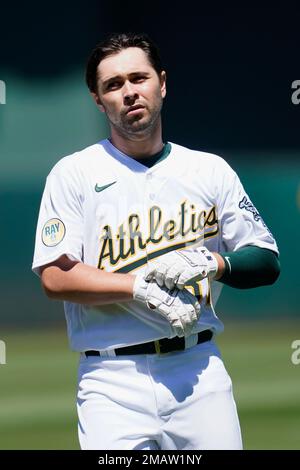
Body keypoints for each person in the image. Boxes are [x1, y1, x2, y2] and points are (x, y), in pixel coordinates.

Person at [32, 32, 280, 450]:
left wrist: (213, 264)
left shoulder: (209, 170)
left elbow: (267, 261)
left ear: (162, 83)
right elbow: (56, 277)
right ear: (98, 99)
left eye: (138, 78)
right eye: (113, 85)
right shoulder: (73, 173)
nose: (129, 92)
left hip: (198, 371)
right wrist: (139, 288)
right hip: (111, 380)